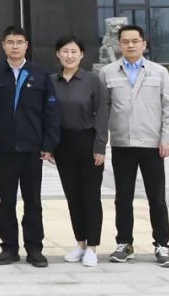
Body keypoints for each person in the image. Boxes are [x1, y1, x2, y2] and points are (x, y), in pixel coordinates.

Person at [0, 26, 60, 268]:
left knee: (32, 201)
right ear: (3, 45)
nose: (15, 46)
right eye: (10, 42)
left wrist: (49, 144)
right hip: (3, 149)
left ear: (27, 45)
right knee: (6, 201)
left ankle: (34, 248)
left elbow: (51, 112)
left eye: (19, 42)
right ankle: (9, 247)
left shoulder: (40, 75)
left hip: (32, 149)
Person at [100, 24, 169, 268]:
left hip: (152, 145)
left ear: (144, 44)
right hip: (122, 144)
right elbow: (102, 111)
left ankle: (162, 245)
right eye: (125, 41)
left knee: (157, 198)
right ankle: (124, 243)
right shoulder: (107, 72)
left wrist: (167, 139)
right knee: (123, 198)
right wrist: (101, 142)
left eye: (135, 41)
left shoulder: (159, 72)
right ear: (119, 45)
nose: (130, 45)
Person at [53, 34, 108, 267]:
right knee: (73, 196)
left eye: (74, 51)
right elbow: (48, 115)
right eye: (65, 51)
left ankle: (93, 247)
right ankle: (80, 243)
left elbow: (102, 114)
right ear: (58, 54)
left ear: (82, 54)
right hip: (63, 144)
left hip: (88, 141)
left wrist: (100, 146)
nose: (69, 56)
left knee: (91, 196)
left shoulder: (93, 80)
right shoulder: (52, 81)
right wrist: (49, 146)